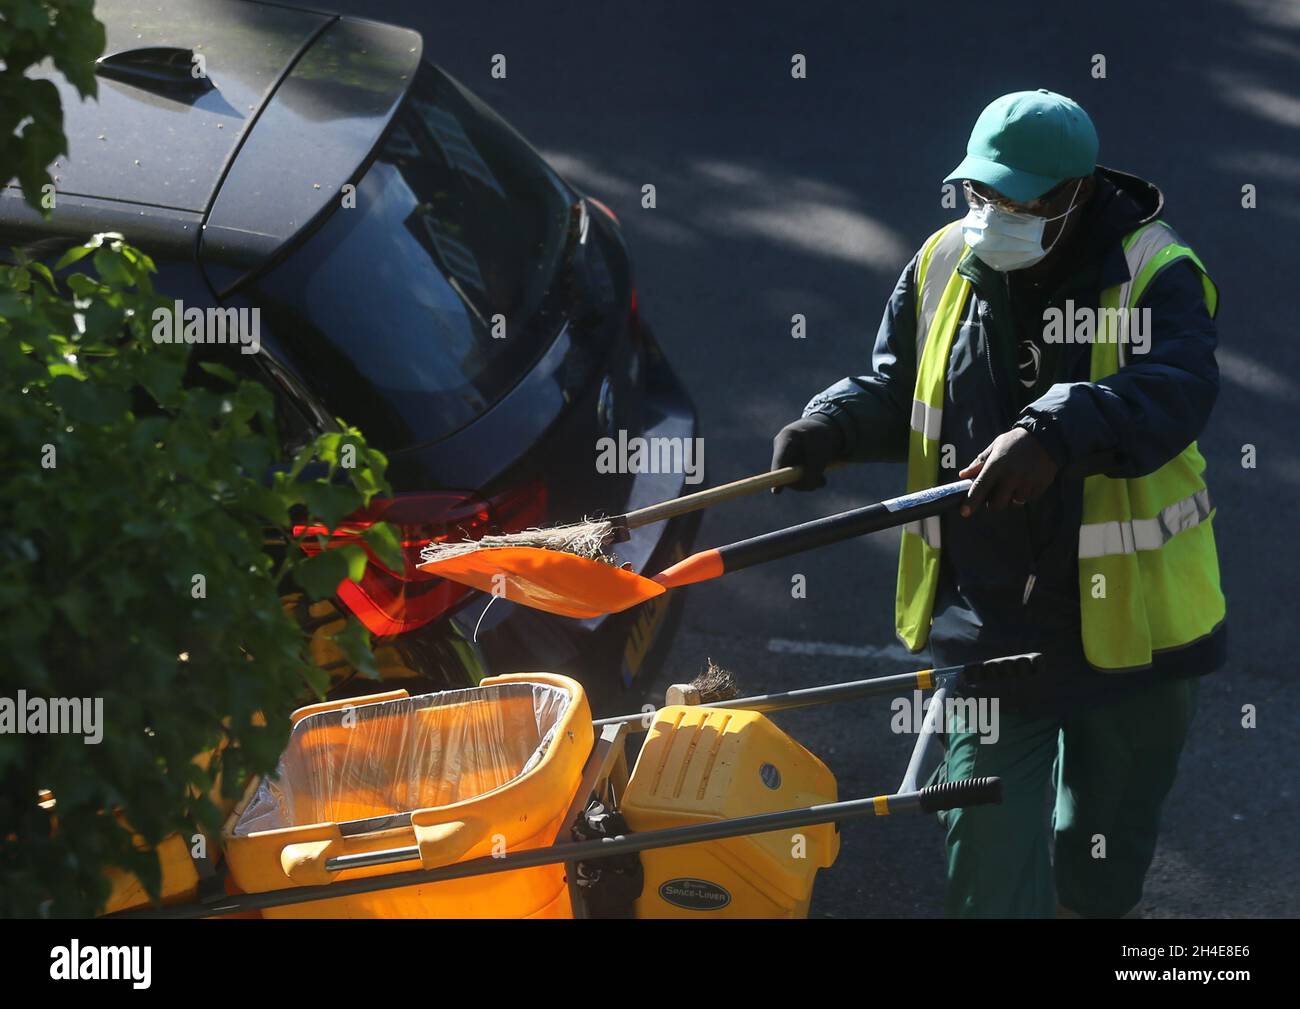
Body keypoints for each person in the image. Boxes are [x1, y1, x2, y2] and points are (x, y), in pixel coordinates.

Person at [770, 89, 1225, 918]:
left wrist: (1053, 434)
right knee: (985, 864)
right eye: (986, 193)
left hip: (1136, 638)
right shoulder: (944, 260)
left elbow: (1174, 390)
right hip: (990, 632)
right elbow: (902, 384)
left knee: (1102, 860)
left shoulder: (1158, 273)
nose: (1000, 212)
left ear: (1078, 193)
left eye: (1026, 198)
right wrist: (830, 426)